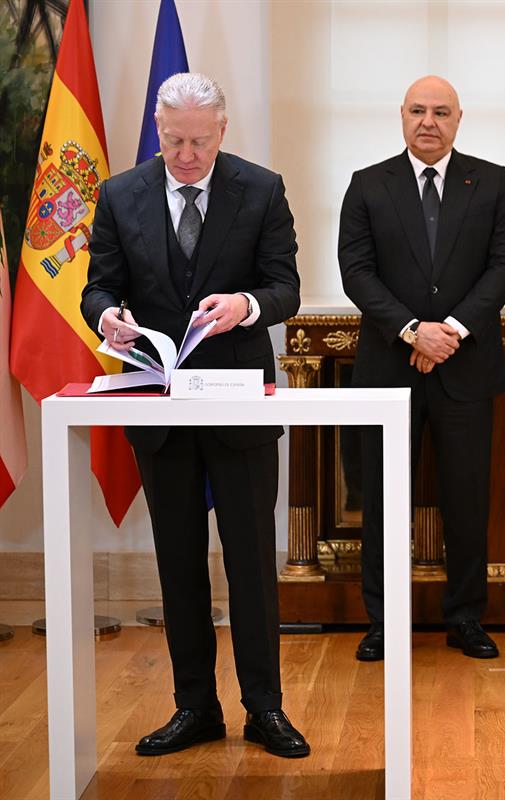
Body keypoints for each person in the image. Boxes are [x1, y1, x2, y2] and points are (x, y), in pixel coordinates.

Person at [82, 73, 308, 758]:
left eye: (200, 143)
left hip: (237, 401)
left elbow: (285, 288)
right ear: (159, 130)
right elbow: (98, 287)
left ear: (222, 131)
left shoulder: (261, 189)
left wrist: (246, 306)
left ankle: (265, 709)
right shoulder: (120, 195)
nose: (186, 156)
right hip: (161, 403)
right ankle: (195, 708)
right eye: (175, 141)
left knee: (251, 562)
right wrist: (108, 317)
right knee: (178, 562)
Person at [339, 76, 505, 661]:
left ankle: (465, 617)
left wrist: (451, 331)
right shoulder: (367, 185)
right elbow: (356, 272)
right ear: (402, 115)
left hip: (466, 369)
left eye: (441, 112)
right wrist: (414, 330)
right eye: (418, 110)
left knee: (466, 501)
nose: (428, 122)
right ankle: (383, 622)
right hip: (388, 369)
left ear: (458, 119)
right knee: (383, 501)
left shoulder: (492, 182)